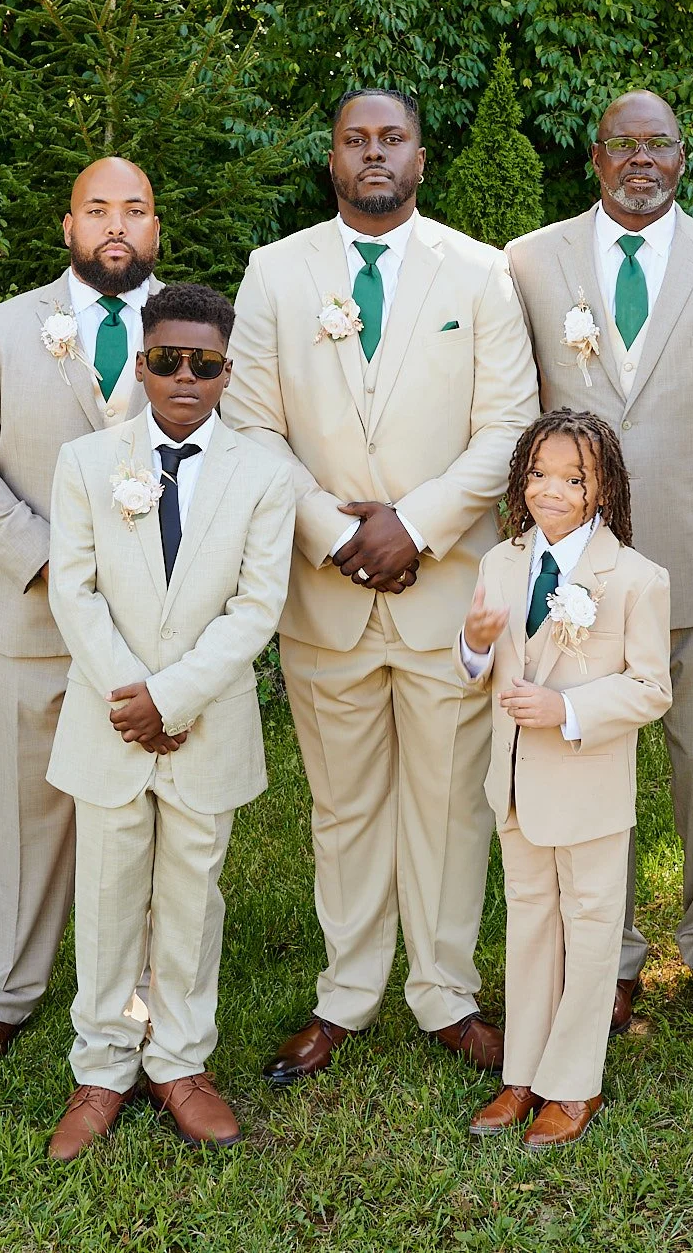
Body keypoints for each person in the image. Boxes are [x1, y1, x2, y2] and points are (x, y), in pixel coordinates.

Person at [224, 87, 540, 1083]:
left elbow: (506, 427)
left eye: (390, 139)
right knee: (344, 803)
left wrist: (419, 525)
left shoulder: (481, 273)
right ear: (332, 158)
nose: (372, 154)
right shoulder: (276, 273)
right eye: (354, 139)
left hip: (448, 589)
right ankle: (345, 993)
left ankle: (444, 991)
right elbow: (250, 427)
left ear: (419, 156)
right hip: (327, 592)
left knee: (449, 800)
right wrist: (331, 532)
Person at [504, 90, 693, 1035]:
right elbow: (519, 411)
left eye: (657, 143)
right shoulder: (532, 261)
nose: (640, 159)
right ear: (595, 158)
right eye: (622, 144)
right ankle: (610, 951)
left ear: (682, 156)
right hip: (579, 566)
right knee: (591, 754)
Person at [42, 283, 295, 1159]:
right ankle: (103, 1065)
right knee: (108, 896)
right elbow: (72, 591)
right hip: (111, 716)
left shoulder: (264, 473)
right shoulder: (86, 462)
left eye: (205, 363)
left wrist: (175, 697)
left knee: (192, 895)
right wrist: (133, 697)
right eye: (166, 360)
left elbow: (258, 606)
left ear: (229, 371)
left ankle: (181, 1059)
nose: (185, 377)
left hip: (207, 718)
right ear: (141, 362)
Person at [0, 156, 163, 1072]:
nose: (115, 223)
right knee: (25, 813)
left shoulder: (191, 329)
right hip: (26, 612)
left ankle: (139, 986)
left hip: (154, 626)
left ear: (155, 230)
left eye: (133, 209)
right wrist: (49, 559)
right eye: (96, 208)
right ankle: (8, 989)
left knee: (145, 805)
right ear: (67, 227)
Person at [460, 410, 671, 1149]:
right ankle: (522, 1071)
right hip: (514, 785)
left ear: (602, 487)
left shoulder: (635, 579)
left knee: (588, 933)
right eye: (538, 473)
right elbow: (476, 669)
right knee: (528, 925)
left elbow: (651, 689)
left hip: (587, 788)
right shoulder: (500, 563)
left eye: (572, 478)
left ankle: (573, 1082)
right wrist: (474, 647)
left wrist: (568, 707)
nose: (551, 489)